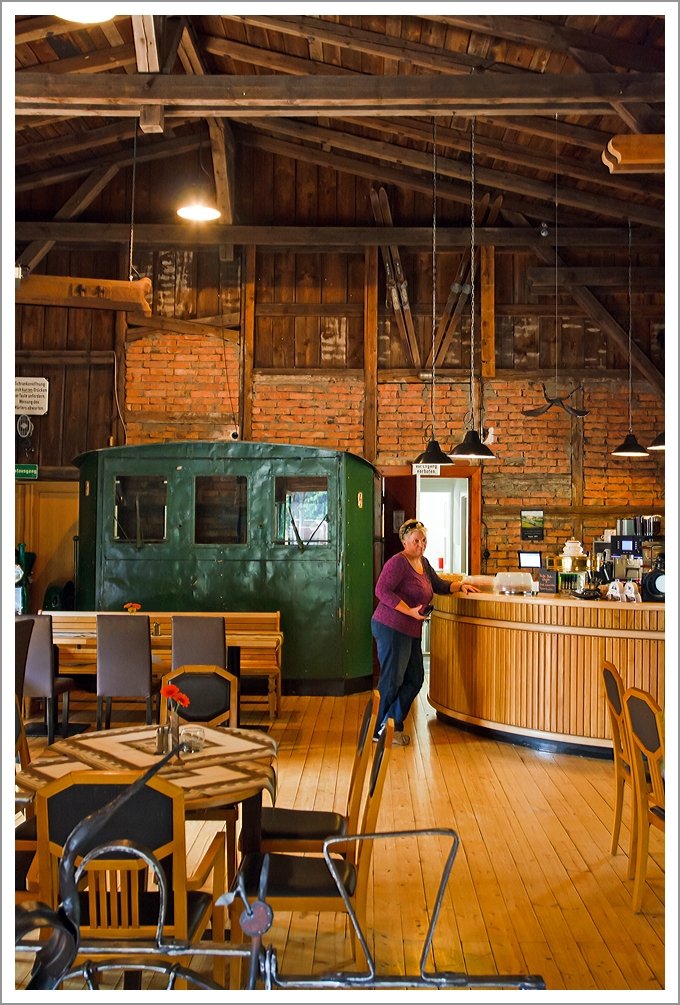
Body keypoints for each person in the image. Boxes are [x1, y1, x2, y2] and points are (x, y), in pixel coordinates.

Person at [371, 518, 480, 745]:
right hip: (391, 627)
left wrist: (460, 586)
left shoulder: (424, 563)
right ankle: (377, 729)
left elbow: (439, 585)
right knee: (393, 680)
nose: (420, 545)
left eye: (423, 540)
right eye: (415, 541)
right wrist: (409, 611)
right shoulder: (397, 563)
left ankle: (390, 724)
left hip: (411, 630)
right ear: (404, 542)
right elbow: (381, 590)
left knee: (416, 678)